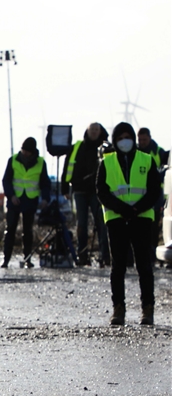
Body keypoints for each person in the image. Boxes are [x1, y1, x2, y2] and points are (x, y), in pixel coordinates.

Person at [97, 122, 161, 326]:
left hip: (141, 218)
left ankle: (147, 309)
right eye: (121, 137)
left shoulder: (147, 160)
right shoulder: (106, 163)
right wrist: (122, 208)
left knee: (144, 265)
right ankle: (118, 309)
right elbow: (102, 191)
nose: (125, 141)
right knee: (118, 267)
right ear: (115, 140)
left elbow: (154, 190)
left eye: (128, 137)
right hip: (116, 219)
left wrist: (137, 209)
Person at [61, 123, 110, 266]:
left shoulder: (106, 148)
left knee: (101, 224)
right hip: (80, 191)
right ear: (87, 131)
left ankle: (105, 255)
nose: (94, 132)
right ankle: (82, 255)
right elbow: (67, 166)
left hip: (98, 192)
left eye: (96, 130)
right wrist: (65, 188)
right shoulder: (77, 147)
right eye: (92, 130)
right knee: (81, 224)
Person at [0, 137, 51, 268]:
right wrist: (11, 196)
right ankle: (6, 259)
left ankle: (27, 258)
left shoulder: (40, 163)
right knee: (10, 229)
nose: (24, 153)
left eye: (27, 151)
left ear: (33, 152)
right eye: (23, 150)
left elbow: (45, 183)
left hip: (30, 200)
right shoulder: (13, 160)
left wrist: (45, 198)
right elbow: (6, 180)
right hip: (14, 200)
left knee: (27, 231)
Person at [137, 127, 169, 260]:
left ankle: (152, 254)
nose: (143, 142)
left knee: (153, 226)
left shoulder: (158, 152)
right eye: (140, 140)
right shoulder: (135, 152)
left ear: (149, 138)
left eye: (145, 139)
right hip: (138, 194)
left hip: (155, 194)